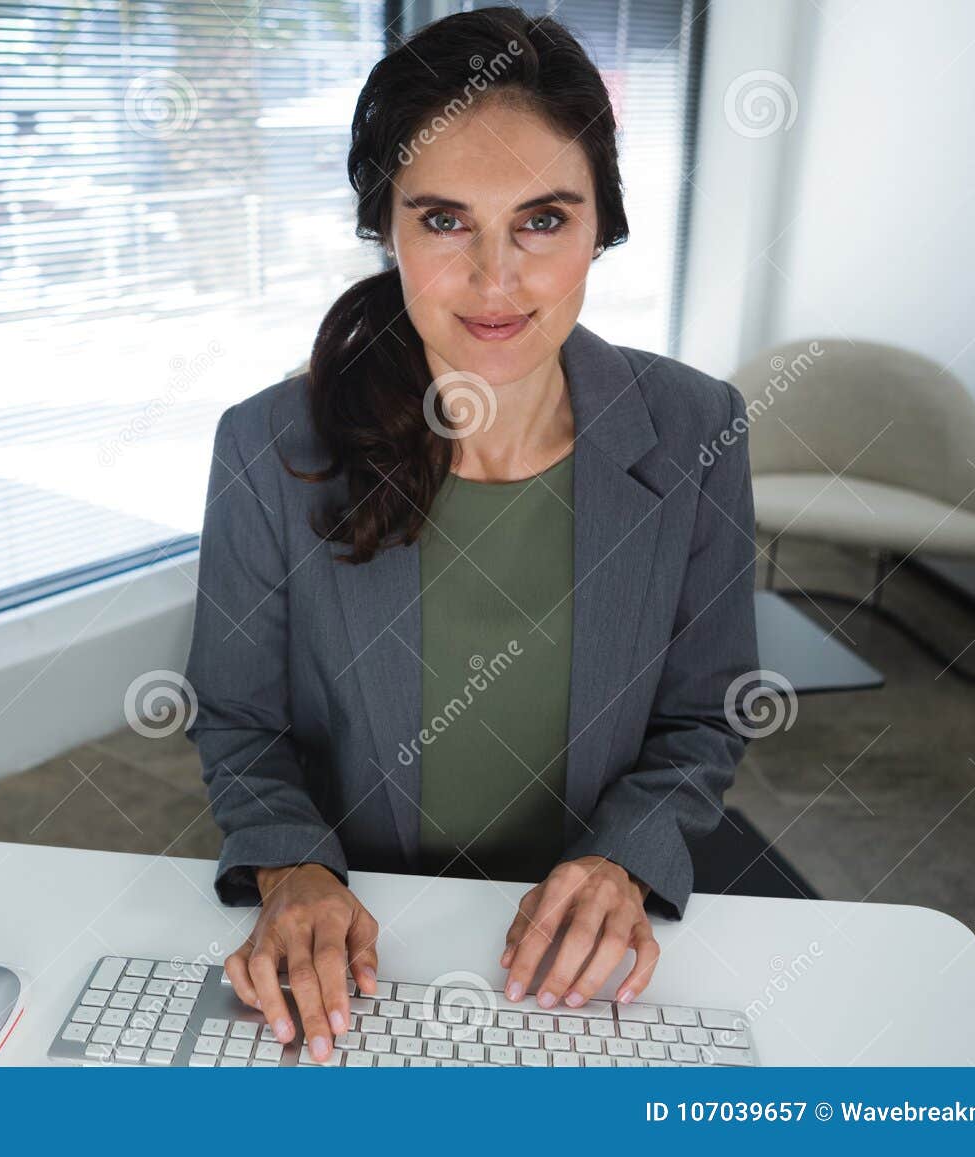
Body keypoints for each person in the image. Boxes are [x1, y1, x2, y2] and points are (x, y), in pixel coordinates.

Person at [182, 4, 757, 1064]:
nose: (497, 278)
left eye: (543, 219)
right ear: (388, 228)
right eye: (444, 220)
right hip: (367, 936)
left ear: (601, 227)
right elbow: (237, 718)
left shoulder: (696, 427)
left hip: (575, 958)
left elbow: (704, 715)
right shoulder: (266, 445)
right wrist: (292, 865)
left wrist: (625, 861)